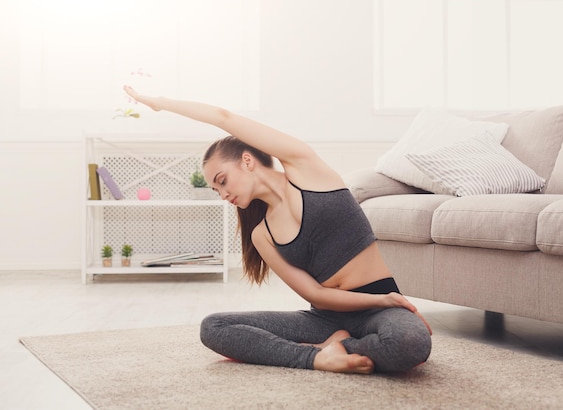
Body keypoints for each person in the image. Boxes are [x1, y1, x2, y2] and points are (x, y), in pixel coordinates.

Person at [123, 85, 432, 374]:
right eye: (216, 191)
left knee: (409, 343)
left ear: (247, 161)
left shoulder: (305, 168)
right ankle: (318, 357)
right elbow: (316, 295)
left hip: (379, 305)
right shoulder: (262, 234)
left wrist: (161, 104)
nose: (222, 194)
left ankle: (332, 347)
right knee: (213, 327)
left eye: (222, 180)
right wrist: (384, 301)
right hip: (326, 317)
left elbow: (223, 118)